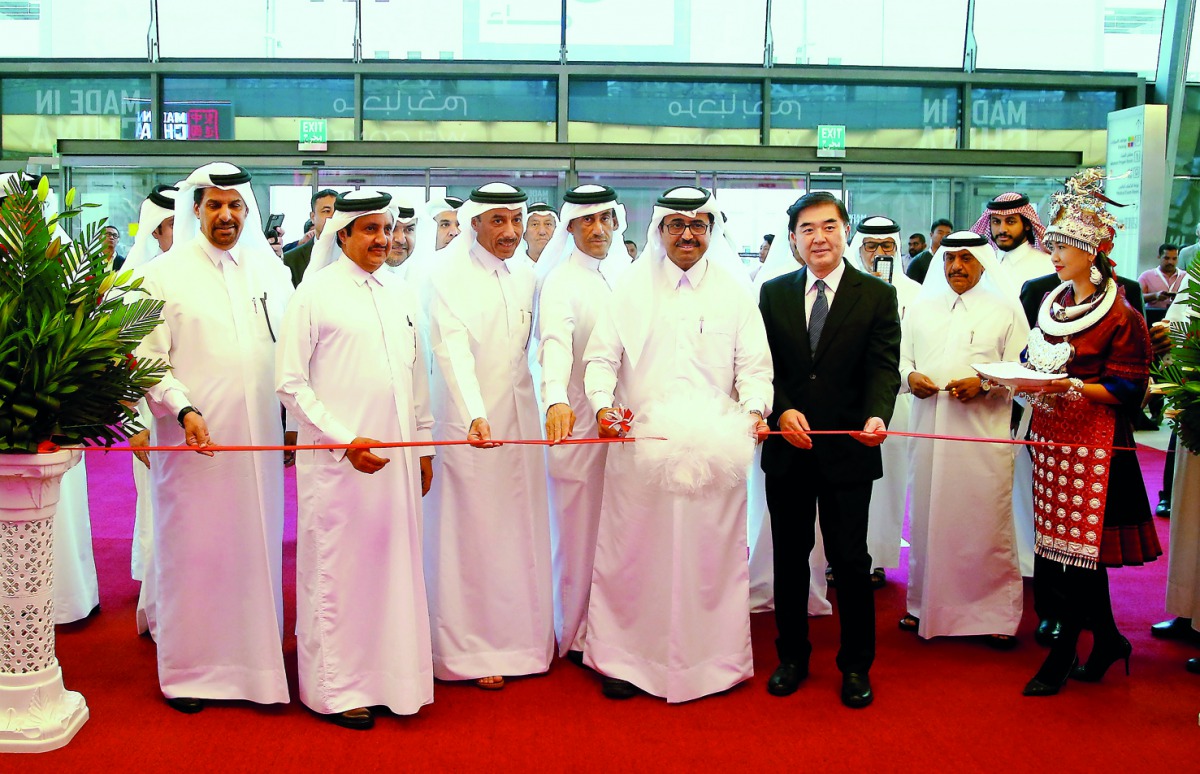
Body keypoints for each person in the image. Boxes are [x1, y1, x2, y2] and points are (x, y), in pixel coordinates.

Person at [582, 186, 773, 702]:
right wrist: (601, 405)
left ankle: (711, 663)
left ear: (711, 230)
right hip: (641, 452)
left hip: (714, 456)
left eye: (698, 225)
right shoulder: (629, 287)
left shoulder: (735, 291)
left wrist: (753, 410)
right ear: (660, 230)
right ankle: (625, 660)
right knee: (635, 554)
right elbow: (601, 359)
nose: (687, 235)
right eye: (676, 225)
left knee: (708, 560)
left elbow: (755, 370)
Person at [136, 162, 294, 713]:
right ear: (196, 210)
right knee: (195, 552)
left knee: (255, 551)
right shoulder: (162, 275)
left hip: (259, 449)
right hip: (192, 446)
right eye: (214, 205)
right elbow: (148, 360)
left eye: (234, 205)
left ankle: (257, 671)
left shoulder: (272, 274)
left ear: (247, 211)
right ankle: (190, 672)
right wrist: (182, 408)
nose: (225, 215)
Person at [276, 190, 435, 731]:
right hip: (338, 465)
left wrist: (425, 446)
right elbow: (290, 384)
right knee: (339, 574)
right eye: (369, 229)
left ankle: (394, 681)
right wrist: (344, 440)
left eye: (387, 229)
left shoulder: (402, 294)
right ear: (341, 234)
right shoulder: (313, 295)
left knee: (392, 569)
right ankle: (336, 689)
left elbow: (416, 377)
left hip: (396, 462)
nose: (382, 239)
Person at [1017, 168, 1161, 696]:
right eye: (1053, 244)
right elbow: (1034, 357)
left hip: (1094, 445)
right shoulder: (1054, 302)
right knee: (1066, 552)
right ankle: (1107, 640)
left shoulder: (1121, 313)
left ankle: (1064, 654)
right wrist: (1025, 378)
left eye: (1063, 246)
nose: (1053, 254)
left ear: (1089, 250)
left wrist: (1071, 387)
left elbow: (1128, 387)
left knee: (1080, 555)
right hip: (1051, 439)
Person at [759, 192, 901, 709]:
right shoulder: (772, 293)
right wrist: (781, 411)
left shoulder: (877, 295)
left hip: (850, 448)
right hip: (789, 447)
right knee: (789, 557)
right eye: (807, 229)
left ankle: (856, 665)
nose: (819, 238)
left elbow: (884, 367)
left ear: (845, 231)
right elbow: (761, 367)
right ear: (793, 239)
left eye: (829, 226)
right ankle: (792, 657)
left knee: (850, 560)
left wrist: (878, 414)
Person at [423, 183, 553, 691]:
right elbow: (451, 351)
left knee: (518, 530)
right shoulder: (446, 274)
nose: (511, 231)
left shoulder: (527, 274)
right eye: (498, 220)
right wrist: (475, 414)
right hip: (467, 425)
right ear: (474, 223)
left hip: (521, 424)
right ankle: (469, 650)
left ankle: (523, 642)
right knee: (473, 534)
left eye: (516, 220)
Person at [899, 232, 1028, 647]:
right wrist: (910, 377)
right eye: (950, 258)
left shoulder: (1005, 310)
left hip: (981, 438)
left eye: (967, 259)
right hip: (928, 433)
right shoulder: (921, 308)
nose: (957, 266)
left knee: (982, 521)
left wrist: (985, 383)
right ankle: (924, 606)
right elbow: (900, 359)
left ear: (982, 263)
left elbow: (1024, 371)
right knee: (928, 519)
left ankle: (991, 613)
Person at [534, 184, 631, 664]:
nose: (598, 229)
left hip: (620, 427)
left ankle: (610, 626)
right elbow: (554, 343)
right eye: (587, 220)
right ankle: (573, 631)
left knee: (617, 531)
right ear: (570, 226)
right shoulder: (561, 281)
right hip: (575, 426)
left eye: (605, 219)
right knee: (577, 533)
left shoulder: (623, 277)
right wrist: (555, 398)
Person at [843, 216, 921, 589]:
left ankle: (877, 558)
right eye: (870, 246)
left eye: (886, 246)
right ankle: (839, 557)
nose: (877, 253)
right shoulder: (843, 288)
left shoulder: (916, 294)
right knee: (844, 486)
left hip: (895, 402)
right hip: (846, 400)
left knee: (888, 486)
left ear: (896, 248)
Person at [124, 183, 181, 639]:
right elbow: (125, 365)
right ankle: (160, 609)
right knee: (157, 514)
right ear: (157, 232)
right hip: (150, 422)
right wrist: (134, 426)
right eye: (174, 226)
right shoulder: (136, 282)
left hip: (190, 420)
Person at [970, 192, 1054, 291]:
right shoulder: (983, 263)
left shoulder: (1048, 265)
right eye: (996, 222)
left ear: (1027, 225)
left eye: (1010, 222)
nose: (1002, 229)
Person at [282, 188, 338, 287]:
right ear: (312, 217)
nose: (333, 216)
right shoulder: (291, 259)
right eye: (326, 211)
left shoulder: (353, 255)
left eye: (337, 211)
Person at [1138, 243, 1182, 326]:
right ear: (1159, 257)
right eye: (1166, 258)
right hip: (1153, 318)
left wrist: (1181, 297)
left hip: (1179, 320)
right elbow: (1136, 297)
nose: (1170, 262)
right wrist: (1155, 296)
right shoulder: (1146, 276)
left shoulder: (1185, 276)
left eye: (1174, 258)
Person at [905, 218, 952, 283]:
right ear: (931, 235)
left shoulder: (952, 259)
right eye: (940, 233)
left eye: (948, 234)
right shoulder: (919, 260)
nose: (944, 236)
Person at [517, 203, 557, 268]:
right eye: (535, 224)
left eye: (548, 224)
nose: (542, 232)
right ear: (524, 234)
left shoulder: (566, 267)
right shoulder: (513, 269)